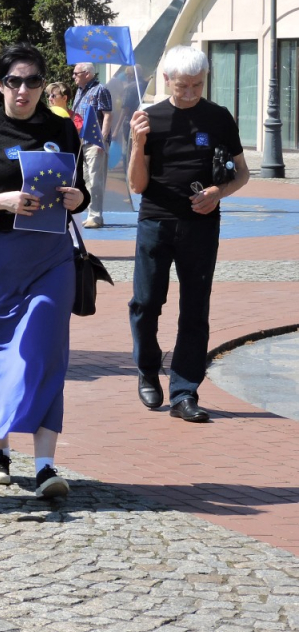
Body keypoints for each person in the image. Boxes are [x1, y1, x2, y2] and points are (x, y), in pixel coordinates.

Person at [0, 44, 88, 499]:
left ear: (44, 85)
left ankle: (45, 465)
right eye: (14, 81)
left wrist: (77, 200)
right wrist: (3, 201)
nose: (23, 90)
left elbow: (81, 190)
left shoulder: (62, 129)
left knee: (44, 352)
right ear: (0, 85)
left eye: (31, 81)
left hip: (50, 257)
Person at [127, 45, 250, 423]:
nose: (191, 93)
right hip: (156, 222)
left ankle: (184, 392)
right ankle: (148, 368)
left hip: (201, 226)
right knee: (146, 304)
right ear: (167, 80)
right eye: (183, 86)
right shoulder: (148, 117)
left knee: (195, 309)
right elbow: (136, 185)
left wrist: (218, 193)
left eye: (198, 85)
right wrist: (137, 144)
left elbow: (241, 173)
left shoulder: (218, 118)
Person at [71, 62, 112, 228]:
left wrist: (102, 139)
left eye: (76, 73)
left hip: (95, 142)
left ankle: (96, 216)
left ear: (87, 74)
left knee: (95, 180)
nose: (73, 76)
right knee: (86, 180)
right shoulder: (80, 91)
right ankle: (90, 213)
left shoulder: (100, 89)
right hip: (82, 142)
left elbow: (107, 115)